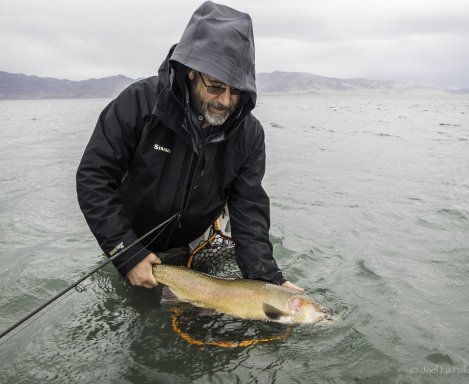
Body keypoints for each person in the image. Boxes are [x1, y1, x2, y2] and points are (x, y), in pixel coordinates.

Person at [76, 1, 303, 292]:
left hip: (197, 246)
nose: (225, 100)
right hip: (132, 241)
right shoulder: (138, 103)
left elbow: (248, 207)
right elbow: (94, 178)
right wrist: (126, 252)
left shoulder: (250, 134)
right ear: (190, 72)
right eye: (216, 86)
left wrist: (266, 279)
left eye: (236, 91)